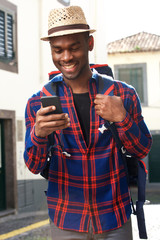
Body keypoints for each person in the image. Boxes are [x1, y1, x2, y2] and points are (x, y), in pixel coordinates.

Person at [24, 5, 152, 240]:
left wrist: (122, 119)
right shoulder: (37, 103)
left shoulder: (123, 94)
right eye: (58, 50)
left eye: (74, 47)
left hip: (115, 216)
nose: (66, 57)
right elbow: (33, 165)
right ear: (51, 51)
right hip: (66, 219)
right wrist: (38, 134)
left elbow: (143, 149)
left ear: (89, 44)